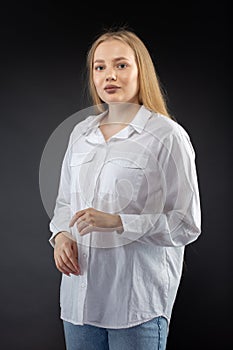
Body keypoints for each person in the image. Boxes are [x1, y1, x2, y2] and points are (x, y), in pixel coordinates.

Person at [48, 27, 202, 350]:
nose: (110, 76)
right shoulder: (80, 133)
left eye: (121, 65)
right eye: (100, 67)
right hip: (79, 303)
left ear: (140, 70)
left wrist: (119, 222)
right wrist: (61, 236)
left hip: (136, 307)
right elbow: (65, 202)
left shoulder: (167, 137)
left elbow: (187, 223)